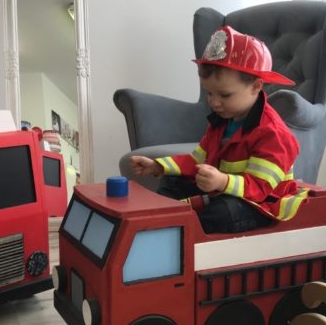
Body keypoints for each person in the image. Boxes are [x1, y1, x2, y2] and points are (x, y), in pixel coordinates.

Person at [129, 26, 308, 234]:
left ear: (256, 86)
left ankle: (183, 231)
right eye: (209, 93)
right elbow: (196, 161)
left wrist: (222, 181)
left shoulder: (273, 134)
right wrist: (158, 166)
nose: (214, 102)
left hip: (261, 203)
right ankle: (165, 223)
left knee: (224, 212)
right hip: (223, 190)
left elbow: (259, 188)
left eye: (224, 95)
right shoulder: (221, 121)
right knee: (172, 180)